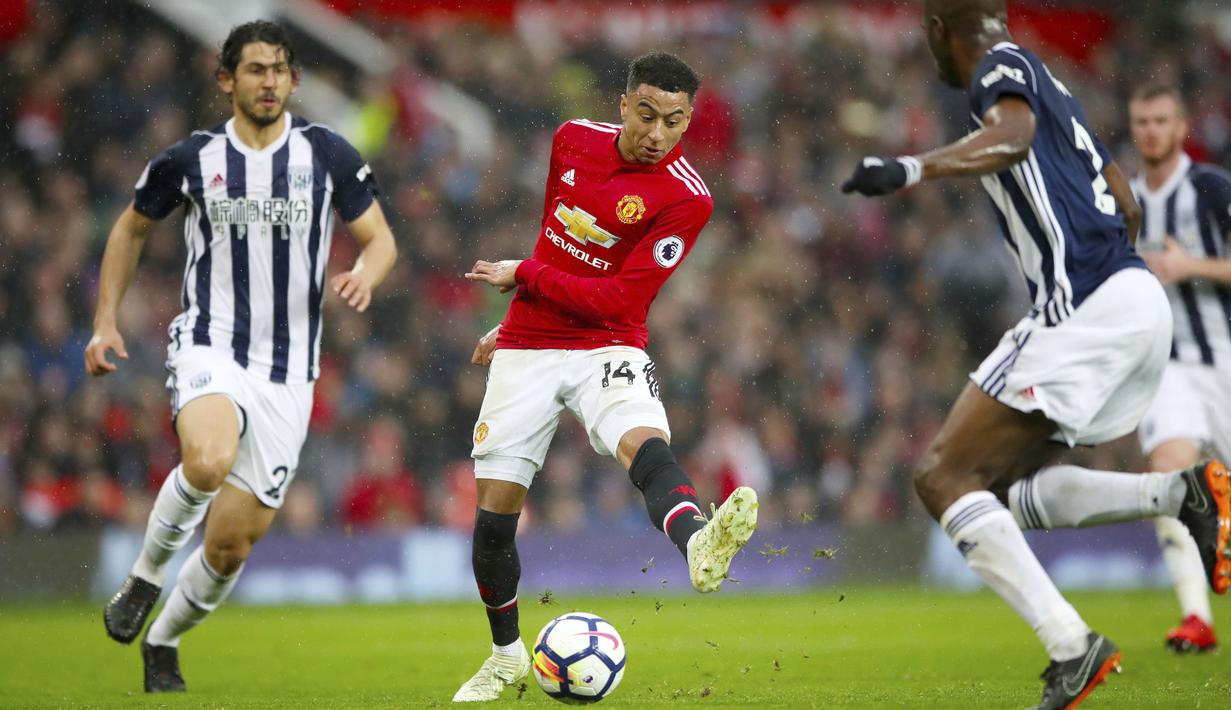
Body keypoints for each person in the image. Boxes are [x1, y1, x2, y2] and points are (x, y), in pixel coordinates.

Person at [840, 1, 1230, 707]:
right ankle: (1180, 493)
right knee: (995, 491)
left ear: (937, 29)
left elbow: (1013, 139)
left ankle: (1072, 646)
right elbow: (1121, 197)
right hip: (1123, 297)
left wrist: (908, 170)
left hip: (1083, 303)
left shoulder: (997, 67)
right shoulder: (1051, 82)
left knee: (941, 477)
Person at [85, 20, 397, 693]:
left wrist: (368, 273)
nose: (268, 81)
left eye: (279, 69)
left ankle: (162, 638)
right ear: (226, 79)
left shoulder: (328, 154)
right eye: (254, 69)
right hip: (209, 342)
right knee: (207, 459)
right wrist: (105, 319)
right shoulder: (191, 159)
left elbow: (380, 240)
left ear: (294, 80)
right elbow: (130, 228)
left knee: (229, 546)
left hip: (289, 372)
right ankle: (142, 579)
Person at [454, 52, 758, 702]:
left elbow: (620, 302)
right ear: (622, 105)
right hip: (528, 345)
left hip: (608, 343)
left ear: (688, 123)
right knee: (493, 522)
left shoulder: (687, 198)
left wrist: (526, 278)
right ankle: (505, 655)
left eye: (673, 122)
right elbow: (552, 239)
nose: (657, 134)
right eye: (646, 115)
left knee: (642, 443)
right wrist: (512, 316)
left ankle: (697, 538)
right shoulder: (570, 139)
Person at [1129, 83, 1231, 654]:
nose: (1149, 131)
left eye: (1160, 120)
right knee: (1169, 472)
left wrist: (1192, 266)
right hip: (1167, 369)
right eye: (1141, 121)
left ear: (1181, 124)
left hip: (1225, 361)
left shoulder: (1211, 188)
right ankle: (1197, 617)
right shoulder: (1120, 199)